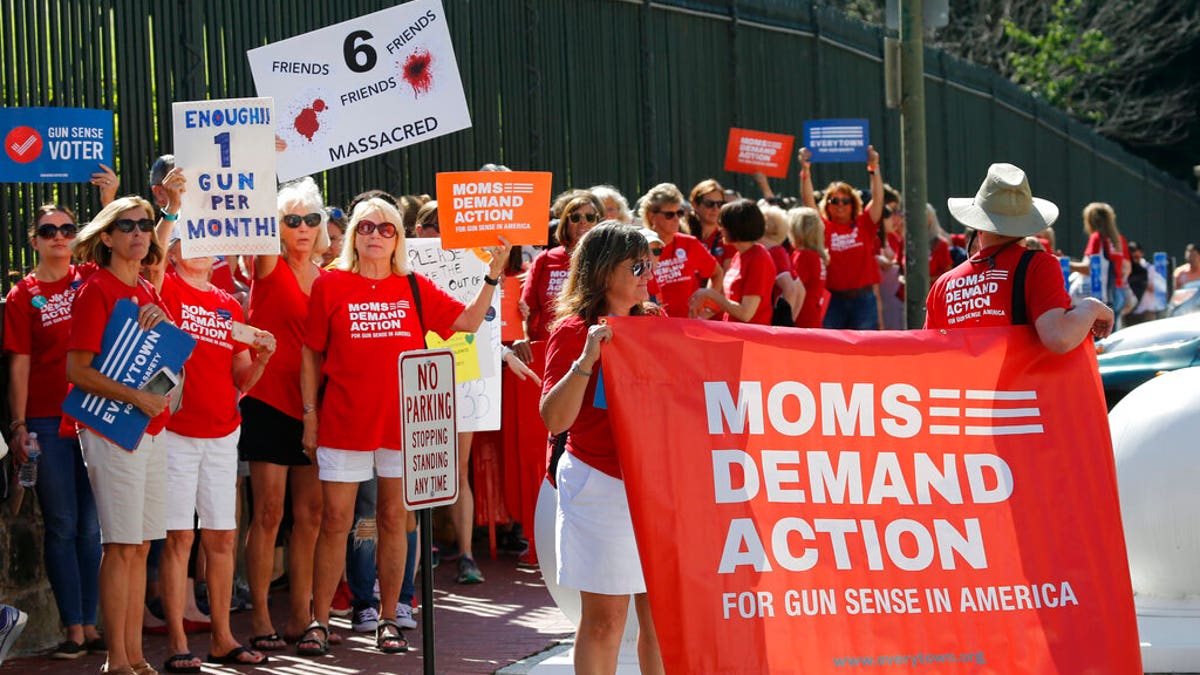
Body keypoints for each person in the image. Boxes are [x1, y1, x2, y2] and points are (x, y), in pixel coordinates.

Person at [299, 197, 511, 655]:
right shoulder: (330, 285)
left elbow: (470, 322)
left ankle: (391, 617)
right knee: (336, 521)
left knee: (396, 519)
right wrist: (309, 416)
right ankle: (318, 621)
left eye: (386, 228)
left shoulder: (414, 286)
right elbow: (311, 353)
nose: (375, 235)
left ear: (398, 238)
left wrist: (493, 274)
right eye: (366, 227)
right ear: (354, 235)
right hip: (343, 421)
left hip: (404, 426)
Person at [66, 187, 182, 675]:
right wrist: (137, 398)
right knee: (120, 545)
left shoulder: (148, 290)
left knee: (139, 546)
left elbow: (168, 363)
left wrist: (164, 326)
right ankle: (117, 660)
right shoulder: (96, 289)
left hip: (149, 432)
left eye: (144, 224)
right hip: (111, 431)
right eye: (127, 225)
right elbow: (77, 370)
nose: (138, 233)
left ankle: (134, 657)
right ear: (108, 237)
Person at [539, 222, 664, 674]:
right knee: (604, 622)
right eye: (635, 265)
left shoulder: (654, 324)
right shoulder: (572, 332)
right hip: (600, 485)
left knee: (662, 620)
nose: (646, 273)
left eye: (648, 263)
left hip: (654, 487)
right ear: (602, 271)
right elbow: (555, 419)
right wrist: (586, 361)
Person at [153, 224, 277, 671]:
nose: (201, 249)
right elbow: (152, 254)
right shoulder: (164, 289)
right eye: (191, 239)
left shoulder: (228, 304)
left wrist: (260, 358)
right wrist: (171, 209)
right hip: (175, 432)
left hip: (224, 433)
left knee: (221, 537)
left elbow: (241, 378)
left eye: (207, 240)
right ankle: (177, 642)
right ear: (174, 250)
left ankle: (223, 637)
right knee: (179, 538)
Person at [4, 204, 105, 659]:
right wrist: (19, 424)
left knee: (91, 527)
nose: (59, 237)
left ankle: (92, 620)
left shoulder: (87, 277)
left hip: (96, 415)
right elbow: (19, 364)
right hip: (46, 420)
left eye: (67, 229)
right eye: (49, 230)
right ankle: (74, 628)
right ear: (35, 241)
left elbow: (128, 242)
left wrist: (111, 202)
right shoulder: (23, 296)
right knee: (62, 524)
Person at [239, 176, 331, 652]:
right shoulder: (266, 266)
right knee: (269, 512)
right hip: (269, 401)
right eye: (291, 219)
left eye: (310, 219)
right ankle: (258, 614)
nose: (301, 227)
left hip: (316, 407)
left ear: (321, 226)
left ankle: (302, 615)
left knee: (311, 514)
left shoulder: (330, 277)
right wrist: (266, 159)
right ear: (276, 226)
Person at [925, 163, 1113, 352]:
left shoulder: (943, 285)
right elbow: (1059, 338)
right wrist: (1091, 307)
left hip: (961, 382)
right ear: (1027, 225)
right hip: (1020, 382)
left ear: (978, 226)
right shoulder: (1039, 266)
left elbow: (930, 352)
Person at [799, 145, 886, 329]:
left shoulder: (865, 224)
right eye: (834, 200)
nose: (840, 205)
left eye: (845, 201)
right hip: (833, 301)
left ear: (853, 203)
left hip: (863, 300)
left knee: (864, 352)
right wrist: (805, 171)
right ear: (827, 204)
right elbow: (809, 203)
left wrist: (874, 168)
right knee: (832, 352)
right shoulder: (824, 227)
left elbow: (878, 199)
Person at [640, 183, 722, 318]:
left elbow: (717, 273)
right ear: (651, 216)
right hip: (656, 328)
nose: (676, 219)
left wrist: (707, 307)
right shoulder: (640, 248)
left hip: (689, 326)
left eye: (679, 213)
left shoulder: (689, 243)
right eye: (669, 214)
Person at [689, 200, 776, 325]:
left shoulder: (759, 258)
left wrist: (710, 294)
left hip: (751, 338)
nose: (719, 229)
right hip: (734, 334)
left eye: (722, 224)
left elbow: (746, 313)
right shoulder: (738, 255)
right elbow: (730, 300)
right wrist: (700, 316)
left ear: (736, 227)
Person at [787, 206, 828, 329]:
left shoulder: (803, 256)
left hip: (801, 323)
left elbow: (792, 289)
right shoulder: (815, 255)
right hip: (811, 321)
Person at [687, 179, 733, 269]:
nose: (715, 209)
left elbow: (726, 277)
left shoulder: (727, 237)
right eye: (709, 204)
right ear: (695, 205)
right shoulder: (682, 232)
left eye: (720, 204)